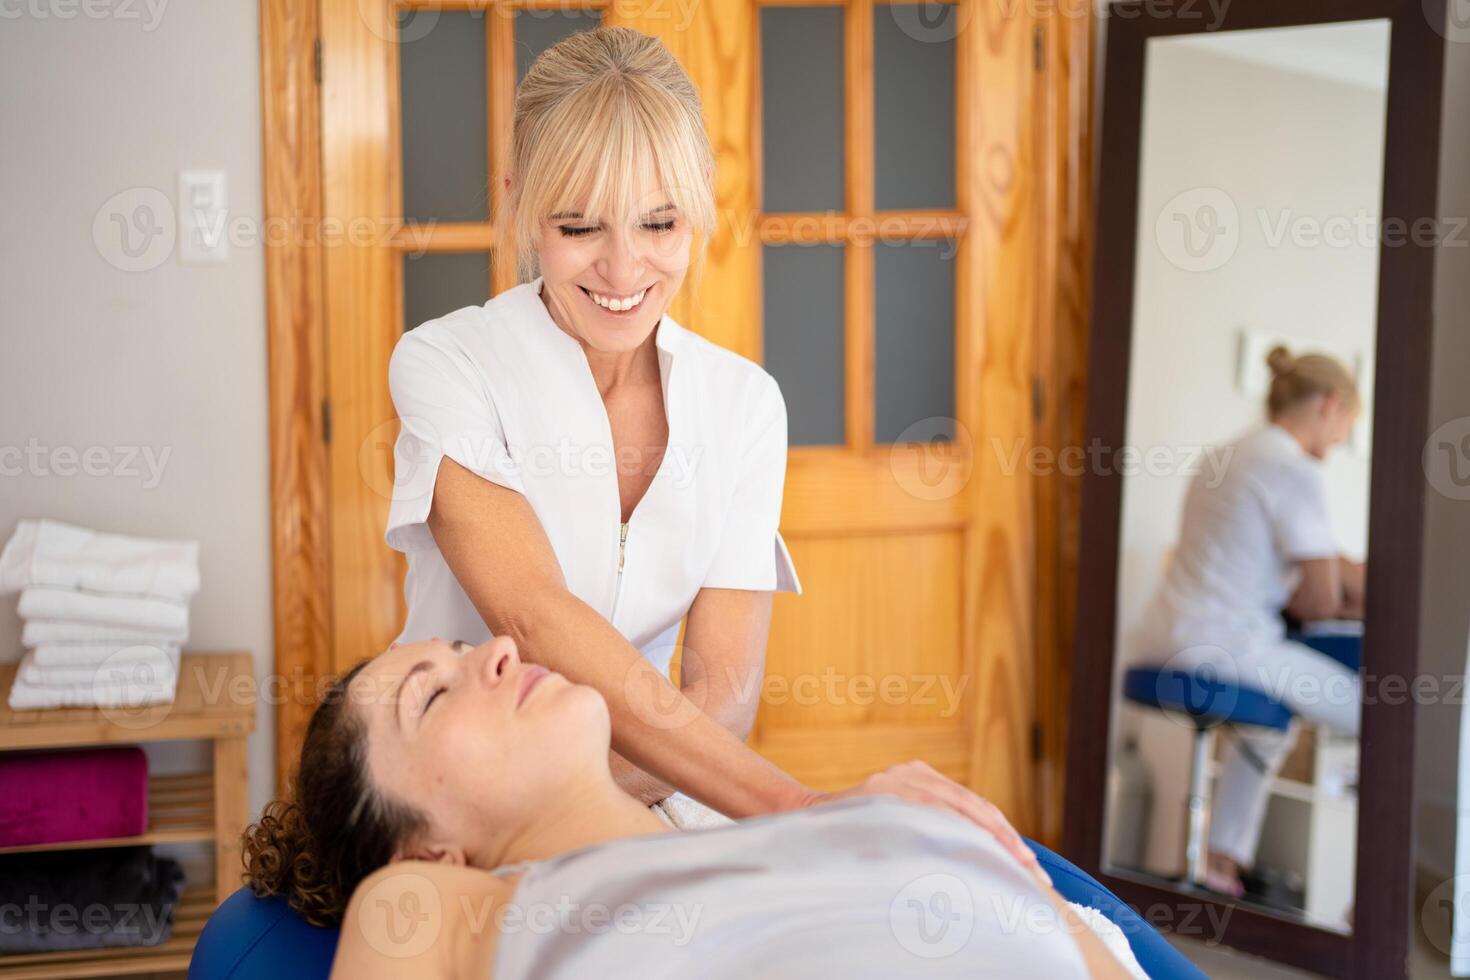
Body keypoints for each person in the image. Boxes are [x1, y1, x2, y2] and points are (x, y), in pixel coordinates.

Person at [383, 25, 1004, 833]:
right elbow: (531, 610)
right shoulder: (446, 363)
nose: (623, 268)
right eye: (578, 227)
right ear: (518, 200)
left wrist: (584, 804)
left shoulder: (744, 404)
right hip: (463, 796)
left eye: (659, 223)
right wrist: (805, 808)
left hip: (661, 784)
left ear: (700, 198)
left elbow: (723, 694)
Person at [242, 637, 1138, 978]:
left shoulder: (836, 821)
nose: (502, 650)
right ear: (427, 851)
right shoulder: (429, 905)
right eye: (430, 697)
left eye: (471, 645)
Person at [1135, 345, 1365, 897]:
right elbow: (1319, 597)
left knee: (1269, 726)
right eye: (1345, 429)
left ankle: (1219, 863)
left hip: (1167, 634)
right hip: (1226, 643)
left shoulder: (1226, 454)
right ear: (1330, 405)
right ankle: (1370, 895)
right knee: (1378, 712)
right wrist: (1347, 594)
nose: (1337, 444)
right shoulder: (1293, 468)